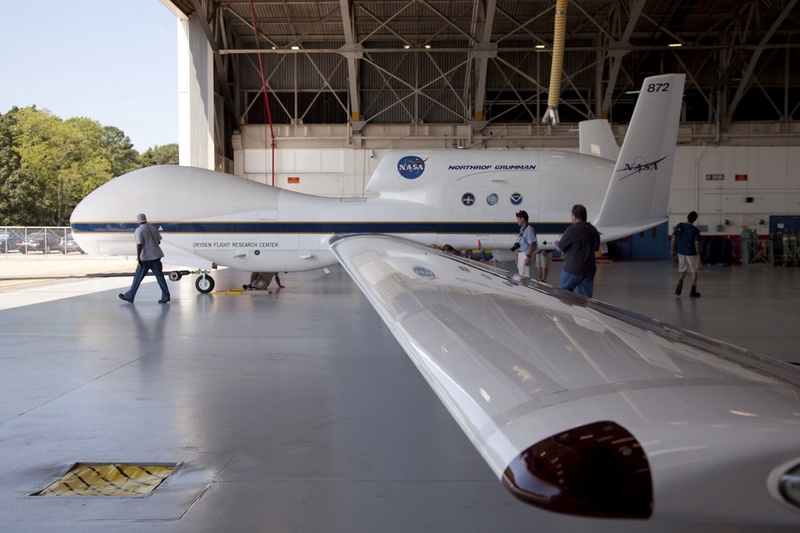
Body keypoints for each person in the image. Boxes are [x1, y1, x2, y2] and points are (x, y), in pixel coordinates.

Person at [119, 213, 171, 303]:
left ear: (138, 221)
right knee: (160, 277)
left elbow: (139, 244)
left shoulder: (139, 230)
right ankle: (166, 296)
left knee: (138, 277)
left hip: (145, 258)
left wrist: (138, 257)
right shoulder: (153, 228)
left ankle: (130, 296)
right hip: (156, 256)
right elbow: (158, 242)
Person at [556, 204, 601, 297]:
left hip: (572, 269)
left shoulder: (572, 229)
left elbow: (560, 247)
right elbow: (596, 248)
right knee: (586, 299)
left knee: (564, 296)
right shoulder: (593, 230)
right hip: (589, 269)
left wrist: (557, 244)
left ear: (574, 216)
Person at [672, 211, 703, 297]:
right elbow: (697, 243)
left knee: (682, 268)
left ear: (687, 217)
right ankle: (693, 290)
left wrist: (673, 250)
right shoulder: (695, 230)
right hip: (691, 253)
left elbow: (673, 239)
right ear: (695, 219)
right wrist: (699, 255)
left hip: (681, 252)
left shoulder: (679, 226)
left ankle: (680, 281)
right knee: (694, 271)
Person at [513, 210, 537, 277]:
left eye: (518, 219)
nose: (517, 221)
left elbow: (531, 244)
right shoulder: (522, 229)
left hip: (525, 254)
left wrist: (528, 257)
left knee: (524, 276)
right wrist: (518, 256)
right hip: (522, 254)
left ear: (522, 219)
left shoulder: (529, 230)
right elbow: (522, 244)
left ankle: (525, 286)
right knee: (521, 274)